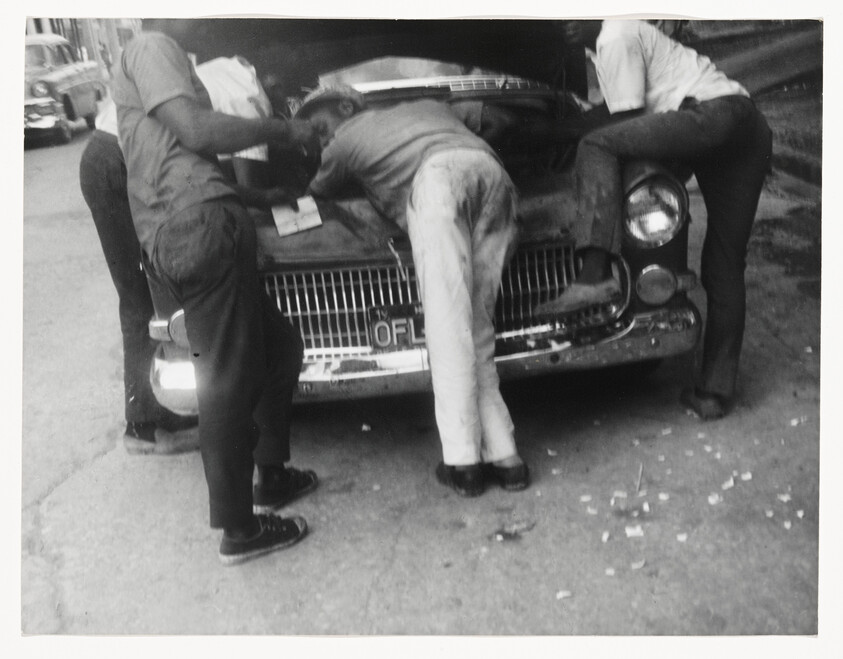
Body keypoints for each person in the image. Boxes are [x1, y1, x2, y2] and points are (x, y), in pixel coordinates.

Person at [110, 20, 320, 565]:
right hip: (198, 229)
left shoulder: (165, 56)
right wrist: (282, 131)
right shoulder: (151, 46)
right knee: (225, 380)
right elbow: (198, 133)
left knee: (278, 349)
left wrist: (263, 196)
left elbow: (183, 158)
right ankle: (240, 531)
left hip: (195, 221)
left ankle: (271, 475)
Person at [535, 20, 772, 420]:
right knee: (723, 265)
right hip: (747, 127)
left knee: (595, 145)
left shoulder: (616, 34)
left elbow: (618, 121)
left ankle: (593, 276)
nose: (568, 23)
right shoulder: (610, 42)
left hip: (711, 116)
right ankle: (714, 393)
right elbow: (618, 113)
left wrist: (541, 133)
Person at [299, 85, 529, 497]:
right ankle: (507, 459)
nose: (321, 139)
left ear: (348, 106)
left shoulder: (344, 142)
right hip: (493, 175)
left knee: (447, 328)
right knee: (477, 328)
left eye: (321, 126)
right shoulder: (432, 106)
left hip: (438, 185)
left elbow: (316, 192)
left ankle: (463, 464)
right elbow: (504, 120)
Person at [79, 98, 201, 456]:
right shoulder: (239, 90)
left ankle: (153, 417)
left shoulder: (216, 74)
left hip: (108, 155)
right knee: (140, 297)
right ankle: (145, 427)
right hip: (115, 159)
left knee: (143, 293)